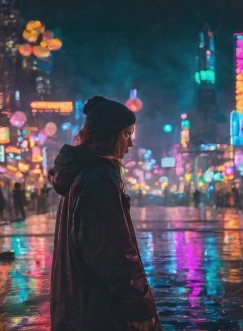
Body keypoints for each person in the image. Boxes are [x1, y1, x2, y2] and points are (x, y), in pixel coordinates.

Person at [49, 96, 160, 330]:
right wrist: (138, 305)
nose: (130, 144)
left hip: (83, 305)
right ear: (110, 135)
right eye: (127, 134)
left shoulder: (84, 173)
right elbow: (110, 252)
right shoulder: (97, 177)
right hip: (99, 311)